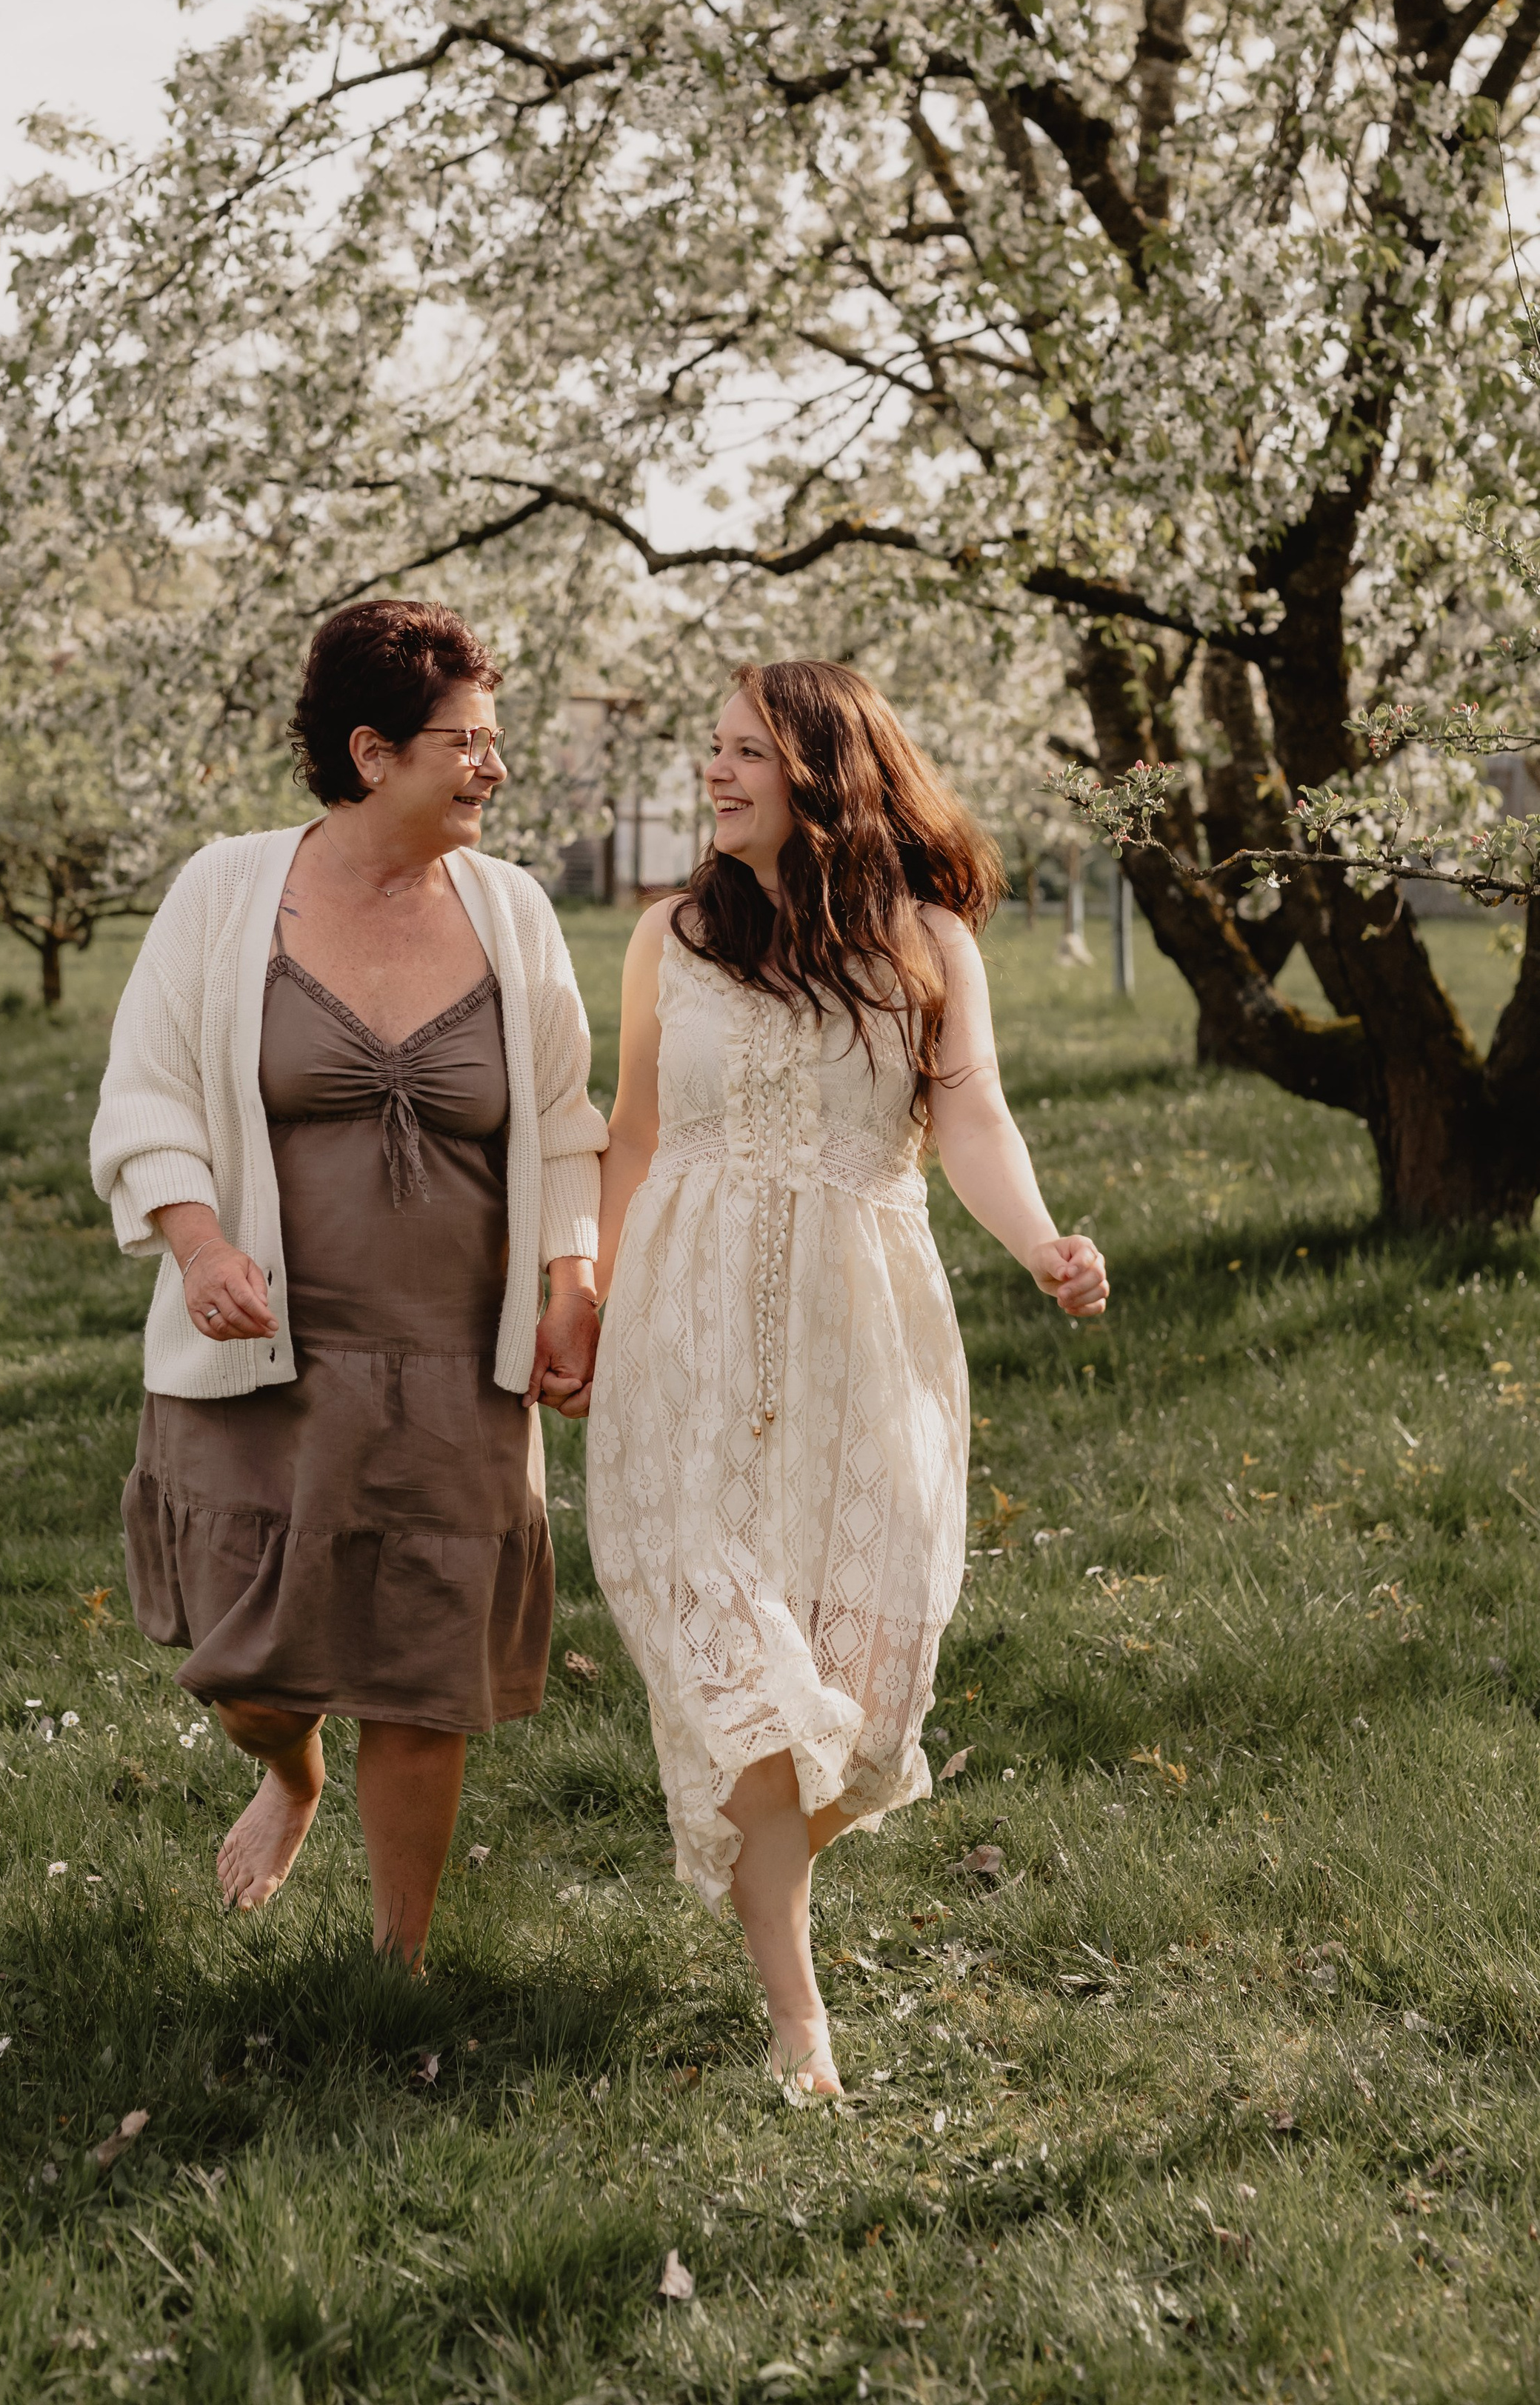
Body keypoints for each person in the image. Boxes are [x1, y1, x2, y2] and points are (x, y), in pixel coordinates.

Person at [581, 661, 1107, 2095]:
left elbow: (973, 1114)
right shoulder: (671, 937)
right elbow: (634, 1131)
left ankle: (757, 1861)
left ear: (827, 771)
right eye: (713, 746)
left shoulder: (926, 941)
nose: (716, 770)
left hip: (863, 1336)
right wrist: (585, 1298)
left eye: (748, 750)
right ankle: (798, 2018)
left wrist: (1043, 1244)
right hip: (684, 1341)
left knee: (863, 1717)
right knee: (745, 1668)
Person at [90, 600, 606, 1965]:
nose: (495, 765)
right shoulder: (226, 892)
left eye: (496, 738)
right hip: (268, 1351)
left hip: (455, 1360)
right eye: (467, 742)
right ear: (373, 753)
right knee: (248, 1670)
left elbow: (563, 1121)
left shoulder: (513, 912)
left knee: (422, 1678)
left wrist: (572, 1284)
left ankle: (398, 1969)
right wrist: (200, 1246)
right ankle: (289, 1767)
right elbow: (146, 1096)